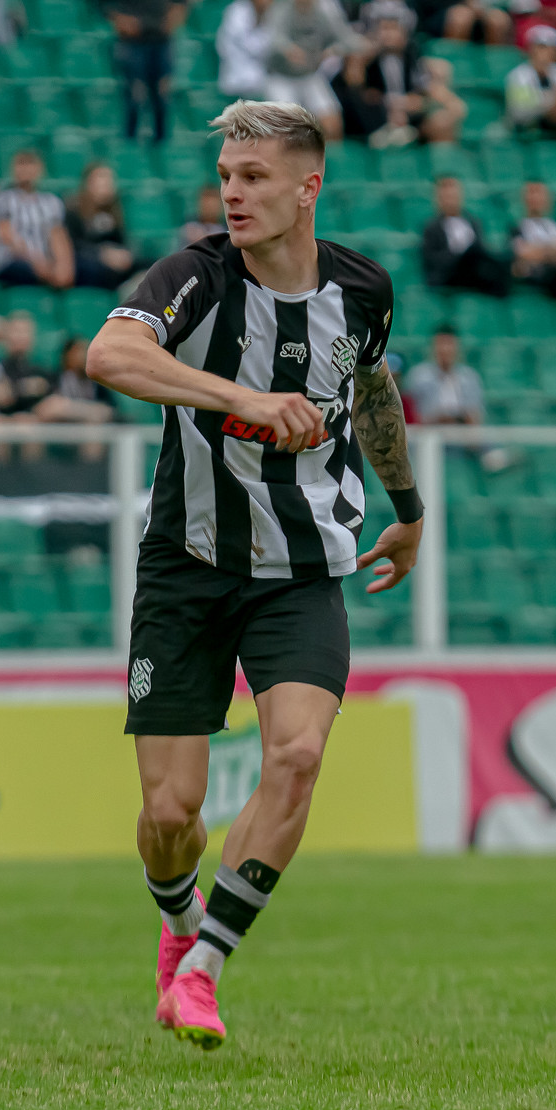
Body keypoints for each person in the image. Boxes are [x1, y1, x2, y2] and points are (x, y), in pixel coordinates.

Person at [83, 99, 420, 1050]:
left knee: (299, 756)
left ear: (308, 187)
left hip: (303, 566)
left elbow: (370, 384)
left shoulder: (364, 290)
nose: (233, 193)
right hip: (187, 563)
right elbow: (110, 351)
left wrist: (409, 509)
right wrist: (243, 397)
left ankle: (204, 968)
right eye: (227, 177)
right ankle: (179, 920)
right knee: (168, 814)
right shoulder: (196, 275)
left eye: (256, 177)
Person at [99, 0, 188, 143]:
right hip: (132, 41)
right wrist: (119, 19)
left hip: (161, 38)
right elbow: (103, 0)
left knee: (161, 92)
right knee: (134, 93)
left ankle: (161, 142)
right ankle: (129, 141)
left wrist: (177, 14)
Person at [261, 0, 363, 140]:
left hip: (310, 75)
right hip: (281, 77)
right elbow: (274, 38)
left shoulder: (325, 10)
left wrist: (333, 50)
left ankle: (328, 166)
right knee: (286, 129)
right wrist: (289, 50)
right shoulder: (282, 8)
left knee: (332, 124)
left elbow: (346, 39)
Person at [337, 13, 462, 148]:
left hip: (410, 118)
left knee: (441, 123)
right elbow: (357, 89)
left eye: (394, 29)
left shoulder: (412, 57)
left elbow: (424, 92)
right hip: (377, 120)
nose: (389, 35)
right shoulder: (365, 61)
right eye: (384, 29)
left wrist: (413, 103)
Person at [0, 149, 77, 288]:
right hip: (9, 261)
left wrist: (64, 267)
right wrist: (38, 264)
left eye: (30, 164)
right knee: (23, 270)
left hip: (44, 264)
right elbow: (6, 236)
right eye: (21, 164)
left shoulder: (51, 202)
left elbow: (58, 236)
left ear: (40, 169)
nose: (26, 169)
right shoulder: (1, 197)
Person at [506, 180, 556, 298]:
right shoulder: (517, 227)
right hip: (542, 274)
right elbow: (522, 253)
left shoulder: (555, 227)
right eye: (532, 193)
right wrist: (552, 252)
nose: (536, 198)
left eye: (540, 193)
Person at [66, 162, 137, 284]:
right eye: (101, 178)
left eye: (109, 179)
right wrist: (102, 254)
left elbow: (122, 242)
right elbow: (74, 246)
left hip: (115, 264)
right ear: (87, 183)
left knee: (153, 265)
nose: (106, 184)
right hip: (89, 265)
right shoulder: (74, 210)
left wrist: (124, 255)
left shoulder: (115, 210)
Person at [401, 325, 485, 425]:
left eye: (449, 344)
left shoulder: (470, 378)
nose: (445, 349)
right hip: (428, 435)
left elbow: (475, 416)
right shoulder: (417, 377)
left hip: (462, 435)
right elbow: (412, 416)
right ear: (433, 346)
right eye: (441, 344)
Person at [215, 0, 276, 98]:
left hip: (260, 80)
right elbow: (252, 46)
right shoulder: (237, 11)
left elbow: (269, 48)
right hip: (236, 76)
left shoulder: (271, 15)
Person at [178, 184, 225, 249]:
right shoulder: (188, 229)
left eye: (212, 206)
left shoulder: (227, 232)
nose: (209, 210)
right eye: (206, 205)